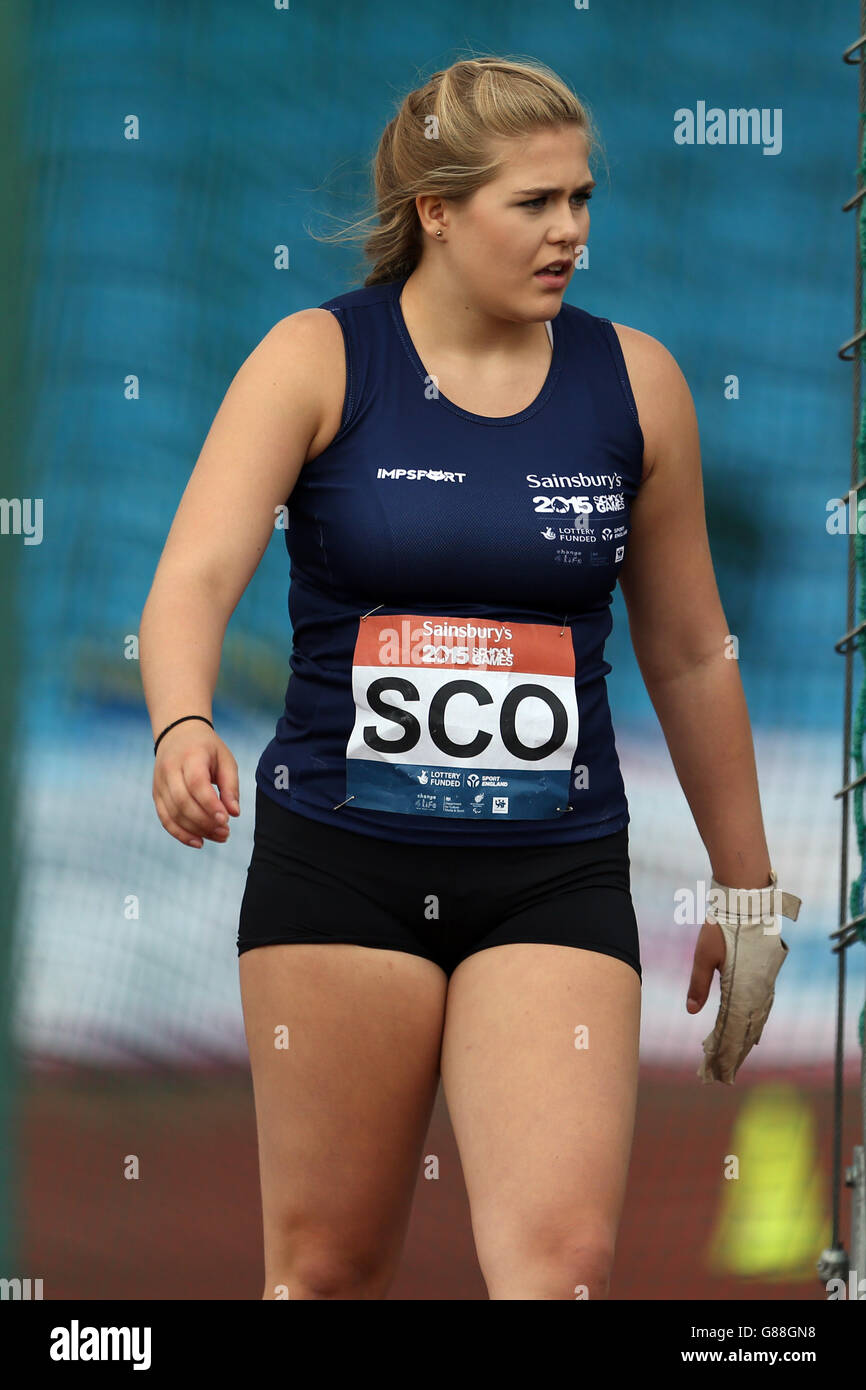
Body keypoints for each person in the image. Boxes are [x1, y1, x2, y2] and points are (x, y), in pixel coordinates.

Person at [140, 55, 777, 1300]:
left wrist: (745, 888)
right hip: (340, 865)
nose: (570, 233)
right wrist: (180, 719)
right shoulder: (317, 357)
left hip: (553, 875)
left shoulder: (634, 382)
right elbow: (193, 577)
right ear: (435, 210)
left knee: (562, 1270)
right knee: (325, 1271)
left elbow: (692, 650)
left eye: (581, 199)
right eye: (533, 203)